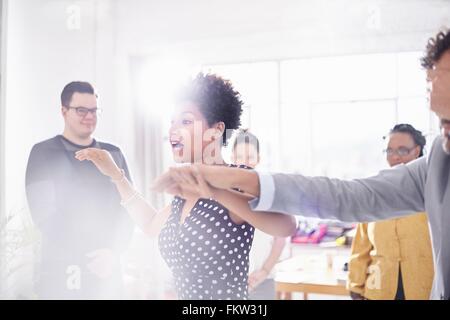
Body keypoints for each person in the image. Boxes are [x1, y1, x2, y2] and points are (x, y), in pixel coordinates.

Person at [153, 29, 450, 300]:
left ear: (216, 130)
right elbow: (351, 197)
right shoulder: (437, 161)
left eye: (448, 121)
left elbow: (285, 226)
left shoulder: (234, 179)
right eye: (441, 123)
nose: (443, 135)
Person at [76, 73, 297, 300]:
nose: (173, 129)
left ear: (217, 129)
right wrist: (116, 176)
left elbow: (286, 225)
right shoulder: (184, 190)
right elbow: (151, 225)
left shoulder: (239, 177)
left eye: (186, 121)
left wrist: (213, 189)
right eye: (172, 121)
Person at [25, 81, 134, 299]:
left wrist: (113, 252)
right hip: (62, 268)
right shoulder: (43, 153)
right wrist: (89, 254)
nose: (89, 116)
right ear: (63, 111)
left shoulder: (113, 154)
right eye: (81, 110)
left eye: (94, 110)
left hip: (107, 269)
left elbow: (129, 208)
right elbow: (44, 214)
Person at [348, 124, 434, 300]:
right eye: (389, 151)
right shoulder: (374, 192)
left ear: (417, 151)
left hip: (425, 290)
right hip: (379, 290)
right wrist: (355, 287)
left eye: (402, 150)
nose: (394, 157)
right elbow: (361, 247)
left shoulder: (435, 192)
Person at [231, 129, 288, 300]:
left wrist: (264, 271)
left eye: (250, 157)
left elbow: (280, 238)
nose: (244, 162)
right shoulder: (224, 192)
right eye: (239, 157)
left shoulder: (269, 192)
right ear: (233, 158)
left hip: (263, 281)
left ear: (258, 159)